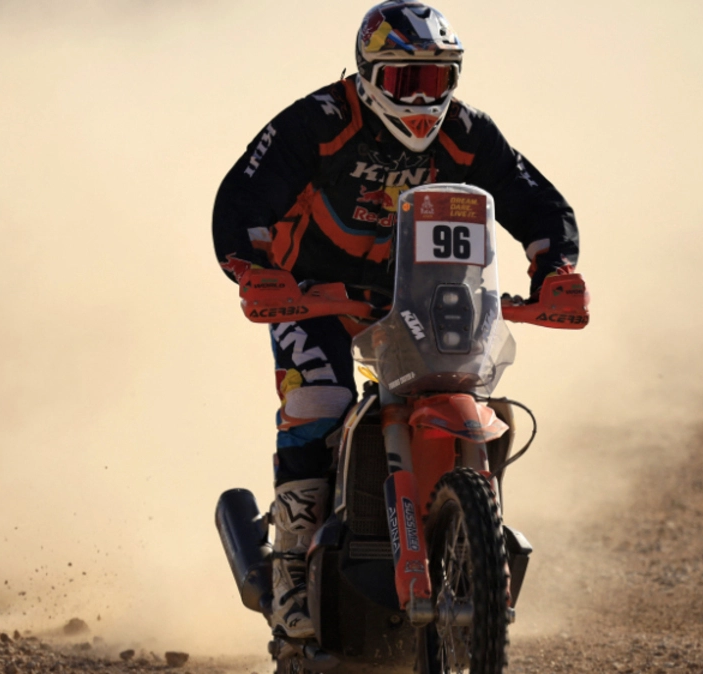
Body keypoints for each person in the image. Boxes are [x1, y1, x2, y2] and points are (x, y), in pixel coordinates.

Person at [212, 1, 579, 639]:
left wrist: (556, 270)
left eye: (437, 79)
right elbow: (245, 195)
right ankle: (292, 569)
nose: (422, 98)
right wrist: (253, 267)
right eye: (405, 80)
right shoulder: (318, 121)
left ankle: (467, 533)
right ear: (367, 74)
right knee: (320, 400)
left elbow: (538, 203)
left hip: (424, 300)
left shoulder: (469, 133)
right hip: (317, 297)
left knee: (474, 396)